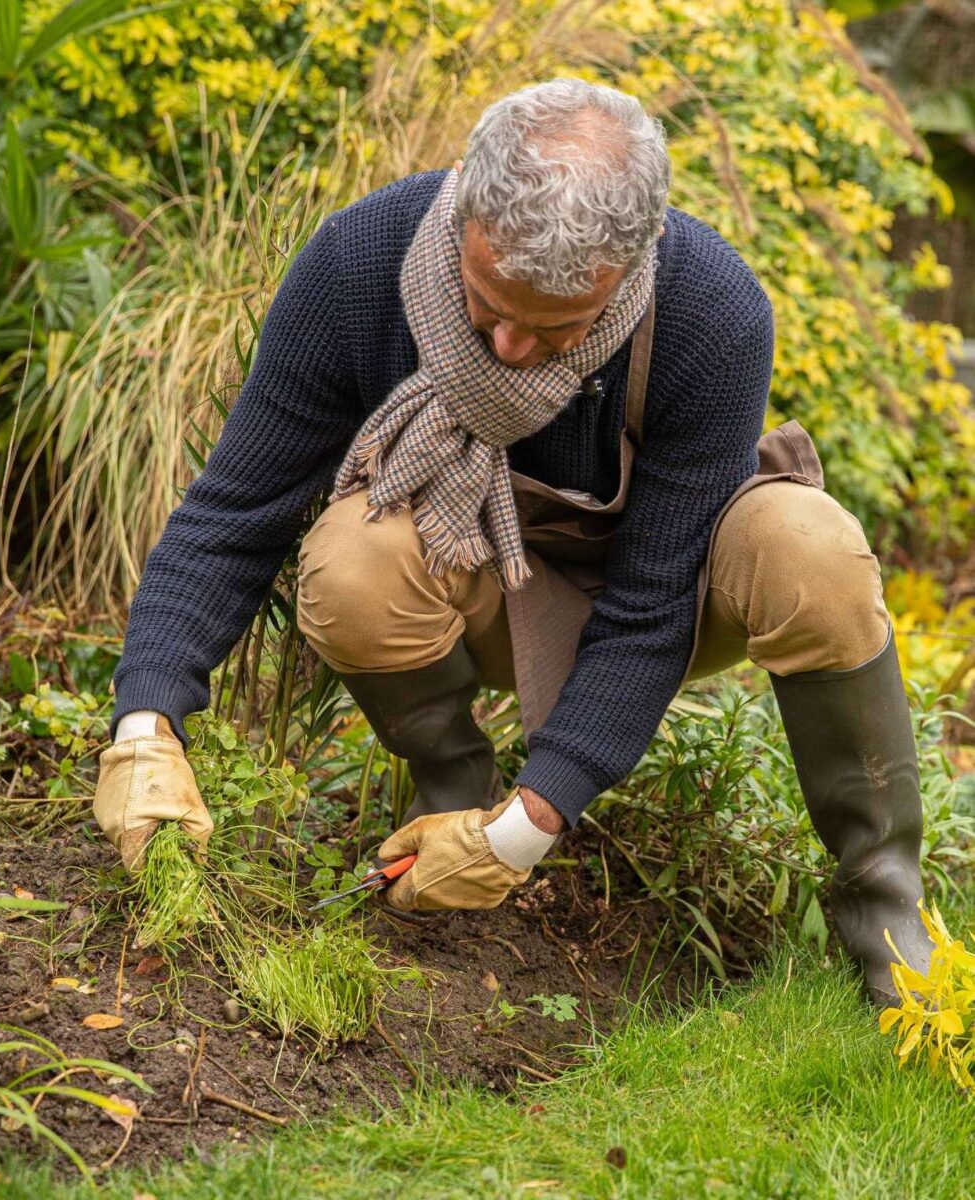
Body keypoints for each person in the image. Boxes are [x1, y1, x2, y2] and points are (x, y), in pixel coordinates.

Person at [94, 78, 933, 1008]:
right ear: (463, 211)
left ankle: (885, 901)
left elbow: (652, 607)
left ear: (639, 254)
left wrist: (529, 828)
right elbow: (233, 512)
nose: (508, 346)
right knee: (353, 559)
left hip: (678, 599)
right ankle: (449, 801)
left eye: (558, 327)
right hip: (483, 590)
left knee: (812, 545)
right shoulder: (358, 261)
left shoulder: (712, 309)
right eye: (486, 299)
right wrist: (146, 724)